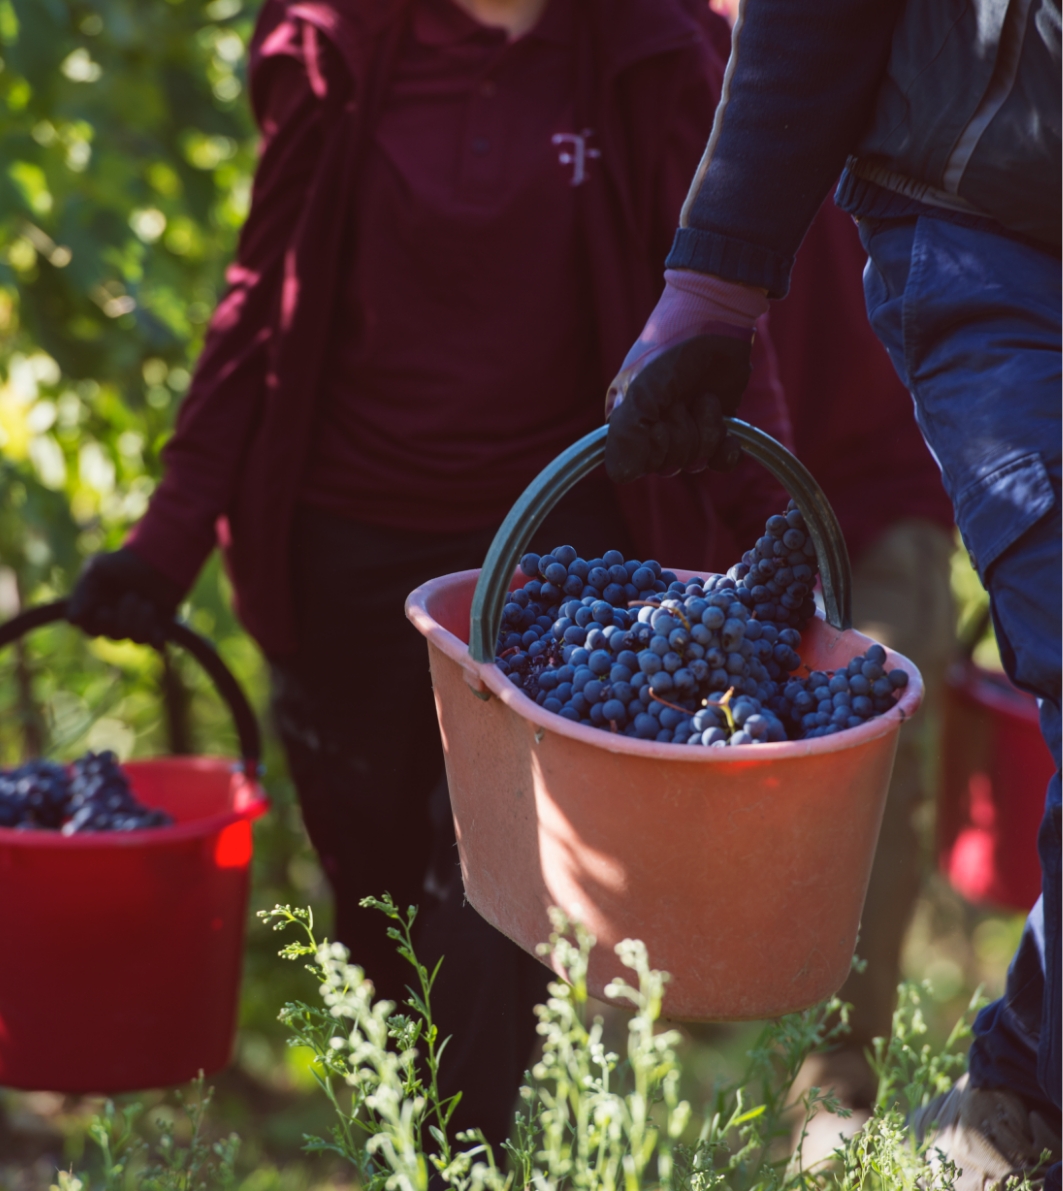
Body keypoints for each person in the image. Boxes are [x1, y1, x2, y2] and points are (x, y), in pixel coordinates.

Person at [66, 0, 792, 1154]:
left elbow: (715, 317)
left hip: (555, 585)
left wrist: (771, 541)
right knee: (384, 928)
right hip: (345, 567)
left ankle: (486, 1168)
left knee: (498, 920)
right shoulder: (341, 41)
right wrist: (168, 542)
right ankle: (426, 1160)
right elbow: (265, 306)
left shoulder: (652, 46)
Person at [603, 1, 1060, 1186]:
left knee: (873, 769)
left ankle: (1010, 1094)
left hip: (864, 471)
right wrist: (710, 291)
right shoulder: (649, 48)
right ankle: (989, 1103)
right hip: (984, 232)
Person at [770, 197, 957, 1157]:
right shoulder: (671, 58)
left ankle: (834, 1085)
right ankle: (620, 1041)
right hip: (711, 483)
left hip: (883, 486)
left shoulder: (925, 49)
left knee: (870, 751)